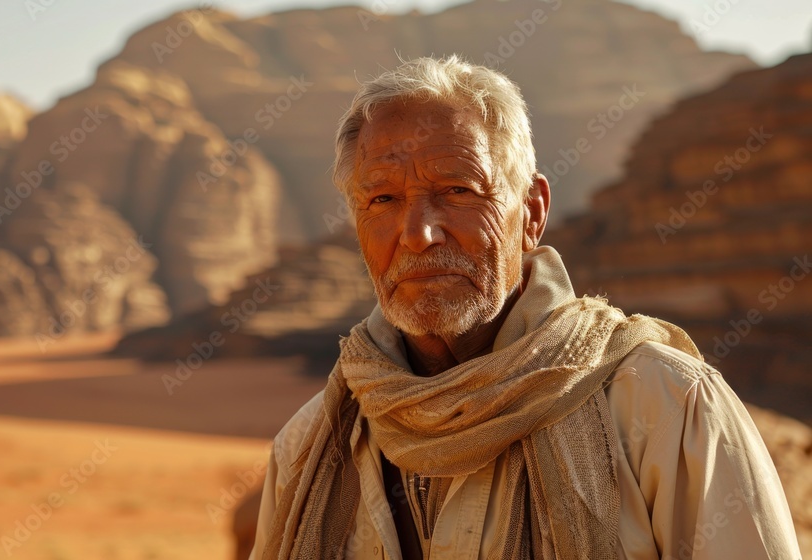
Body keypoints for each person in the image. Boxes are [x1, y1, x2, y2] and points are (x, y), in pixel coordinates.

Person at [248, 55, 801, 560]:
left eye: (458, 191)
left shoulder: (668, 410)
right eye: (383, 199)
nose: (418, 234)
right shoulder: (312, 444)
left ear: (532, 211)